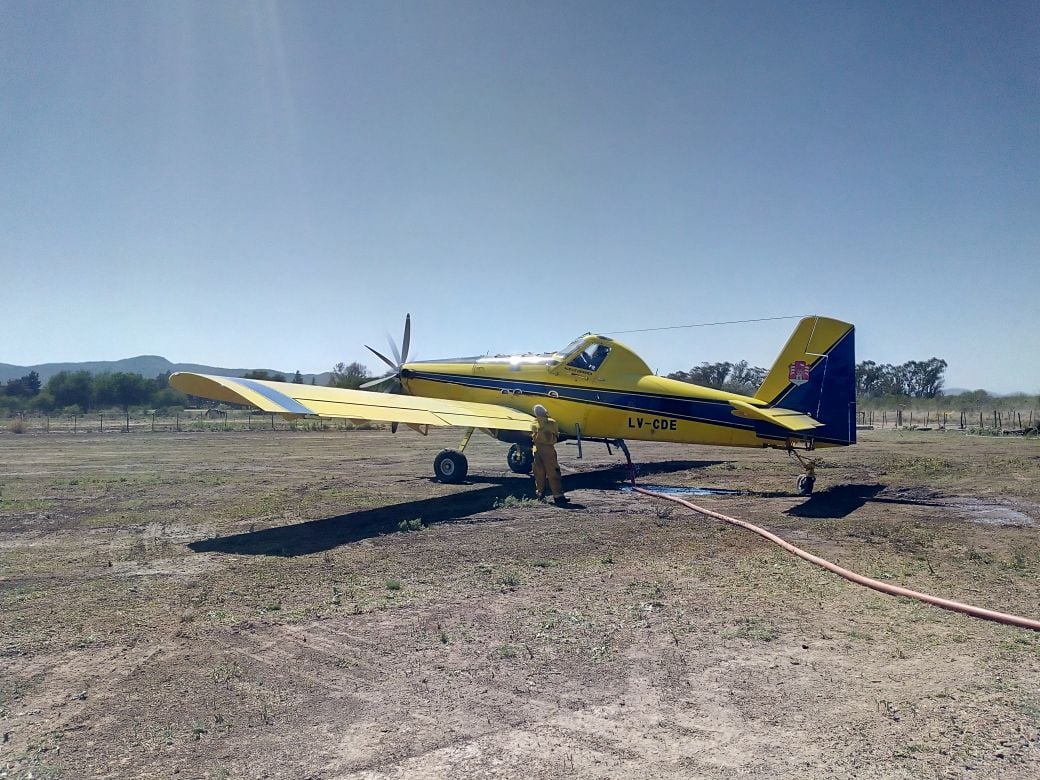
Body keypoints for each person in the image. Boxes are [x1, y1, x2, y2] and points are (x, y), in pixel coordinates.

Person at [531, 404, 568, 505]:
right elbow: (556, 435)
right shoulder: (551, 422)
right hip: (548, 450)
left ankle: (540, 494)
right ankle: (558, 496)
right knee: (553, 472)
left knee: (539, 473)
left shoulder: (533, 423)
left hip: (536, 449)